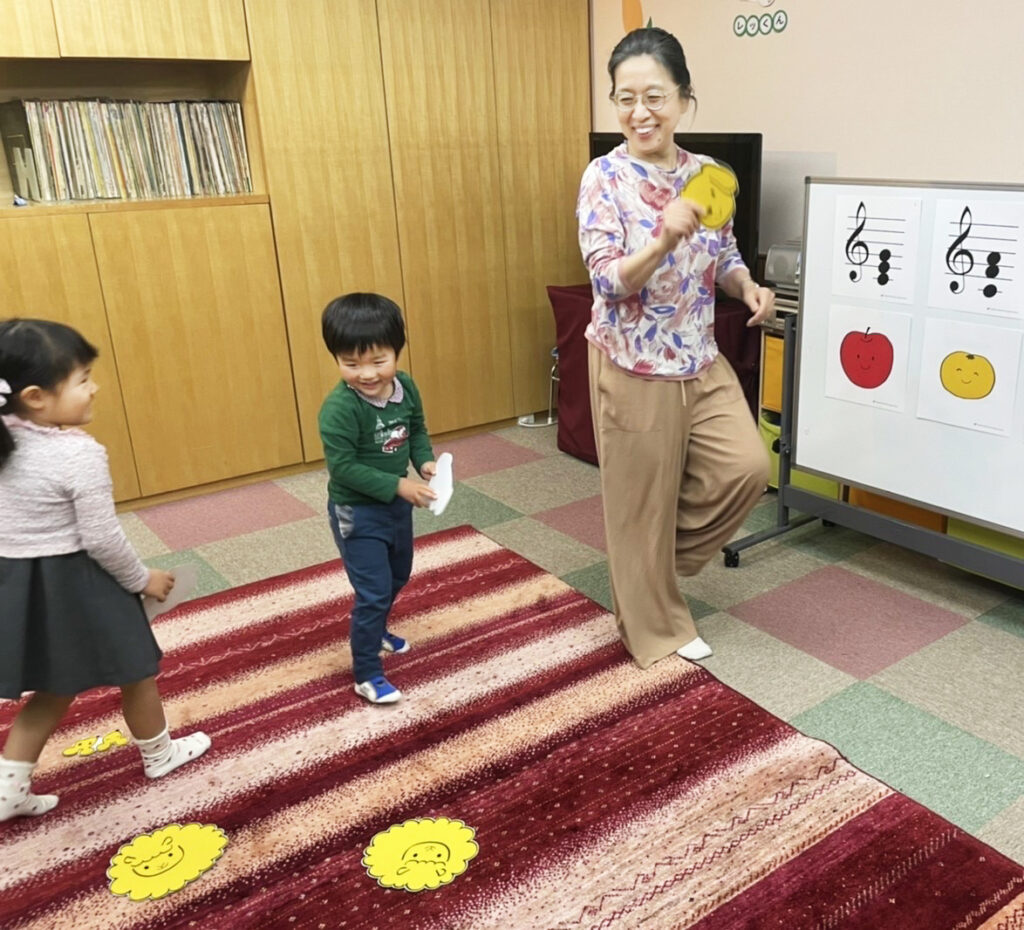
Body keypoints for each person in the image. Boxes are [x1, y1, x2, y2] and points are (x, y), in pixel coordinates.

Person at [577, 27, 772, 669]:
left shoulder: (710, 176)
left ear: (684, 98)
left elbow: (725, 253)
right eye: (624, 98)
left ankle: (649, 570)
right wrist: (661, 239)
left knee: (746, 469)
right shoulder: (602, 177)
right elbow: (607, 280)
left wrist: (746, 286)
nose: (639, 113)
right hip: (632, 360)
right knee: (638, 507)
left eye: (654, 96)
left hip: (699, 354)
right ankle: (653, 624)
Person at [0, 319, 210, 823]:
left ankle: (7, 792)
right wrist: (143, 580)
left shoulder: (4, 438)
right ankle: (159, 756)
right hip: (78, 581)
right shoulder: (78, 454)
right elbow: (101, 539)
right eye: (82, 378)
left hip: (21, 584)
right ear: (34, 396)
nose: (95, 387)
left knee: (53, 688)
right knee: (137, 670)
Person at [319, 293, 437, 705]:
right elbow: (344, 468)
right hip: (357, 512)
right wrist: (400, 486)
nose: (366, 373)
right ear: (337, 359)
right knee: (372, 591)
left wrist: (424, 463)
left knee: (397, 576)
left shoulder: (405, 386)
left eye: (378, 361)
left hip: (396, 508)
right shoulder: (339, 408)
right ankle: (367, 671)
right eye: (351, 364)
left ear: (397, 352)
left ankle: (378, 627)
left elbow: (417, 429)